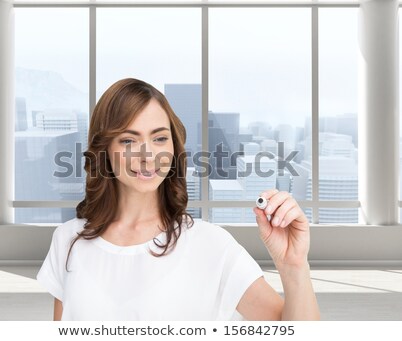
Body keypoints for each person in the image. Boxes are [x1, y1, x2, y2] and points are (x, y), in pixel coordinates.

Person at [36, 78, 320, 321]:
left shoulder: (210, 244)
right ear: (104, 149)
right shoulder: (68, 240)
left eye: (159, 138)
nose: (147, 155)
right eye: (127, 140)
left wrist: (293, 266)